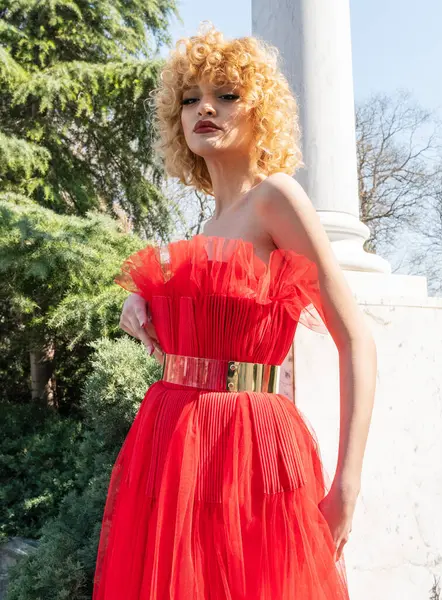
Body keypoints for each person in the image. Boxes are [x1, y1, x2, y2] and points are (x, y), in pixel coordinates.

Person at [92, 21, 377, 600]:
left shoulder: (276, 196)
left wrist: (347, 484)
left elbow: (357, 341)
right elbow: (202, 287)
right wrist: (142, 293)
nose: (206, 109)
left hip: (248, 442)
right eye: (191, 98)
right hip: (176, 440)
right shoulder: (205, 226)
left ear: (258, 110)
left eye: (226, 95)